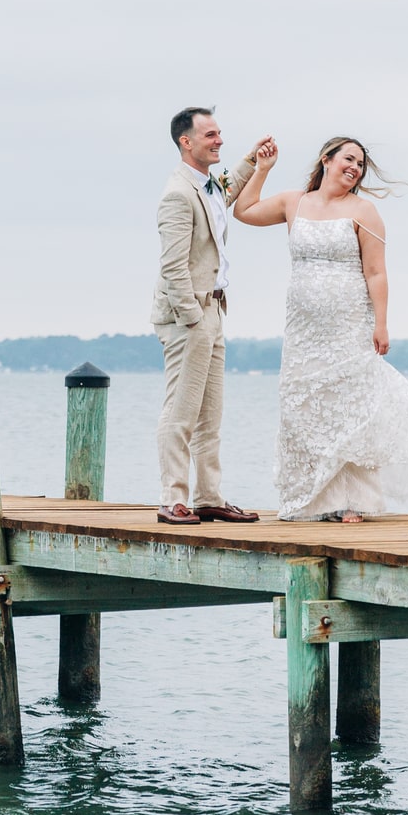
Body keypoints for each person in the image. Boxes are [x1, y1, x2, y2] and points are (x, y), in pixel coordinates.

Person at [233, 134, 408, 521]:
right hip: (303, 329)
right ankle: (313, 500)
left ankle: (356, 501)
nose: (355, 168)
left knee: (351, 408)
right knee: (303, 406)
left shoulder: (364, 211)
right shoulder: (293, 202)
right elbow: (244, 210)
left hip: (349, 324)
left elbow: (377, 272)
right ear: (326, 160)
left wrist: (381, 324)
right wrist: (262, 170)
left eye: (361, 164)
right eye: (349, 159)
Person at [152, 106, 273, 525]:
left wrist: (254, 161)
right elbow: (173, 267)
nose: (219, 140)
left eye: (220, 133)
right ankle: (173, 498)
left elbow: (228, 188)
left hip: (214, 310)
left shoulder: (207, 185)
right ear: (186, 142)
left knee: (210, 414)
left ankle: (208, 497)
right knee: (181, 411)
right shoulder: (177, 194)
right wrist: (191, 317)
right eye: (210, 135)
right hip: (190, 315)